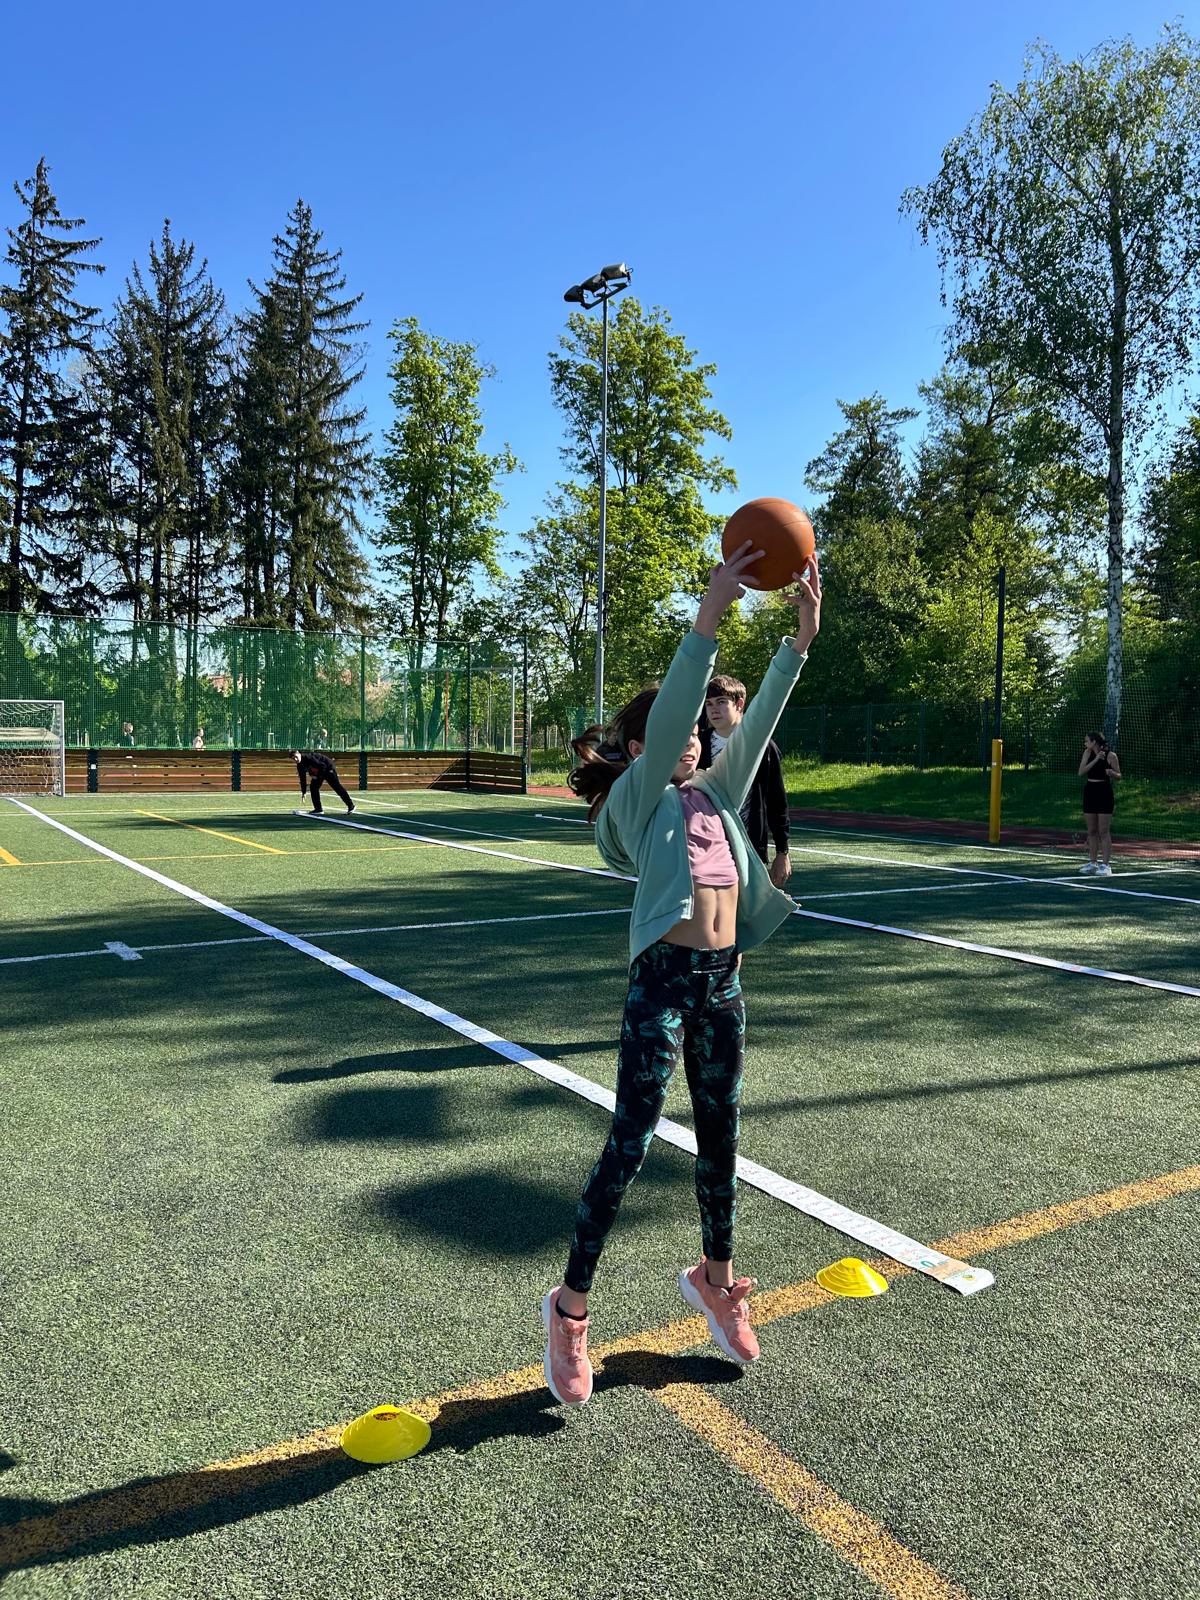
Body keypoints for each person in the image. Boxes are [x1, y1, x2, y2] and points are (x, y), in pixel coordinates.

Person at [541, 542, 821, 1408]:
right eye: (680, 730)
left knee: (720, 1140)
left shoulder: (716, 797)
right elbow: (666, 723)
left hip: (723, 987)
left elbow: (757, 723)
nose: (695, 737)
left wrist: (799, 642)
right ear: (637, 748)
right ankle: (569, 1309)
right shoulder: (638, 803)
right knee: (630, 1142)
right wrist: (710, 612)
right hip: (662, 986)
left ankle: (715, 1281)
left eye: (701, 730)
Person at [699, 674, 792, 888]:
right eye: (709, 704)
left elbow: (777, 801)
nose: (714, 709)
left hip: (749, 847)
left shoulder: (763, 747)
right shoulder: (697, 745)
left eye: (721, 702)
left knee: (746, 907)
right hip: (707, 847)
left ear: (739, 704)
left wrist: (782, 852)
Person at [1078, 730, 1121, 876]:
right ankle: (1093, 863)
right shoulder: (1087, 753)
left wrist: (1112, 773)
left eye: (1087, 741)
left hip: (1104, 793)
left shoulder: (1111, 755)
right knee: (1091, 830)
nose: (1085, 743)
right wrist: (1096, 759)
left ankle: (1106, 865)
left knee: (1103, 830)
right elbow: (1081, 772)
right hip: (1090, 791)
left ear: (1094, 742)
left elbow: (1119, 775)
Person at [293, 749, 356, 815]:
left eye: (296, 757)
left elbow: (322, 765)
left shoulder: (308, 758)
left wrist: (317, 776)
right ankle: (318, 809)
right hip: (320, 771)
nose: (295, 759)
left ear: (299, 754)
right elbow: (302, 778)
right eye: (293, 758)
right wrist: (304, 792)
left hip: (328, 767)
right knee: (313, 787)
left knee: (337, 787)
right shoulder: (299, 765)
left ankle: (351, 806)